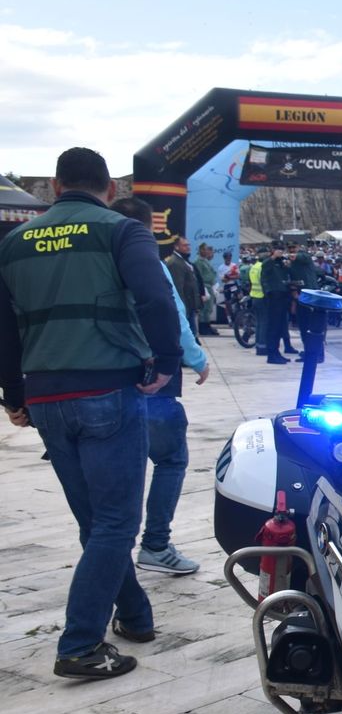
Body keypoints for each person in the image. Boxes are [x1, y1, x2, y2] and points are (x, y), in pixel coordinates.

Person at [0, 147, 182, 679]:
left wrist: (13, 395)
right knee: (116, 523)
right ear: (107, 188)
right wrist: (166, 362)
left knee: (96, 522)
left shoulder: (13, 243)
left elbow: (4, 328)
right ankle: (79, 644)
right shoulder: (119, 230)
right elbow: (154, 298)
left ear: (55, 188)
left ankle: (135, 616)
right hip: (106, 388)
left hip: (47, 396)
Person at [111, 199, 209, 577]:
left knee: (118, 467)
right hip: (152, 377)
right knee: (170, 460)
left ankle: (110, 550)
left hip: (103, 378)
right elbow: (170, 310)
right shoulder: (144, 258)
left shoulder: (94, 258)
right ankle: (155, 543)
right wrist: (195, 358)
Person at [257, 247, 292, 364]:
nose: (281, 253)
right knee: (273, 327)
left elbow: (285, 274)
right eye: (278, 250)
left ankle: (276, 353)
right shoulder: (268, 262)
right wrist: (273, 257)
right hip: (273, 297)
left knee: (280, 327)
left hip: (282, 296)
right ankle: (272, 354)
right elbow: (265, 266)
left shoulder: (279, 263)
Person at [192, 242, 219, 335]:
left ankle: (207, 325)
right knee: (204, 309)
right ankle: (203, 327)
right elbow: (198, 276)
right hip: (205, 286)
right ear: (201, 250)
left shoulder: (205, 261)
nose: (207, 251)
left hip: (210, 286)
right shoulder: (198, 262)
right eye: (205, 249)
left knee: (209, 308)